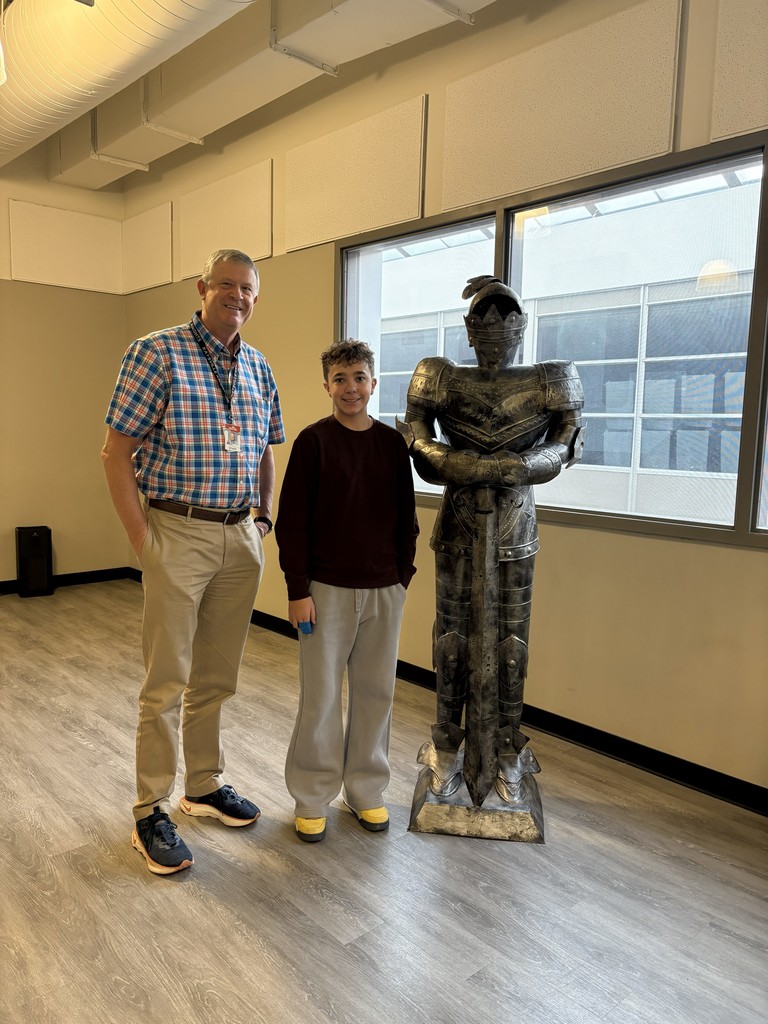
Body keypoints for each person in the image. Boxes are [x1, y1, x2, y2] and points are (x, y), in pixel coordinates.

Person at [101, 248, 285, 875]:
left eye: (248, 290)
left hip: (240, 537)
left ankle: (202, 786)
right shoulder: (155, 353)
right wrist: (140, 539)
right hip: (175, 531)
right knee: (166, 680)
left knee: (216, 675)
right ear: (203, 287)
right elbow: (114, 454)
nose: (238, 297)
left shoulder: (260, 367)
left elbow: (264, 448)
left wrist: (263, 516)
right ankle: (150, 807)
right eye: (227, 285)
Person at [401, 275, 584, 826]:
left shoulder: (552, 376)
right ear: (469, 328)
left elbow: (570, 439)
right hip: (458, 522)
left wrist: (520, 467)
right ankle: (446, 747)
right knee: (451, 639)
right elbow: (414, 431)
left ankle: (506, 750)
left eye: (505, 318)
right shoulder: (439, 375)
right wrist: (452, 463)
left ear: (521, 325)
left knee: (511, 642)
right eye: (484, 318)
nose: (495, 330)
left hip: (515, 521)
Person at [275, 340, 419, 843]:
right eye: (340, 378)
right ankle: (312, 796)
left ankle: (365, 791)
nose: (350, 387)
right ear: (327, 387)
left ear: (373, 383)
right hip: (326, 591)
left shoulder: (390, 446)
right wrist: (298, 589)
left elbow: (407, 518)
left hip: (384, 589)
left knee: (376, 693)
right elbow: (292, 524)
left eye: (359, 377)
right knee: (319, 697)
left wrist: (404, 574)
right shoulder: (313, 443)